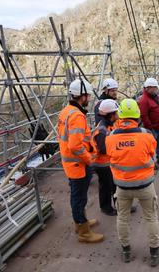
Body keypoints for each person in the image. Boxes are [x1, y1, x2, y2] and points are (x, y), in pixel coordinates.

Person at [105, 99, 159, 267]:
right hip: (145, 185)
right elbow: (153, 154)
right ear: (137, 115)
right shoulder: (146, 135)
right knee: (151, 217)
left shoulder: (110, 137)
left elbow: (110, 156)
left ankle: (126, 251)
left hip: (122, 186)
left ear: (120, 116)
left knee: (122, 218)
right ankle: (154, 253)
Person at [58, 78, 104, 243]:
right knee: (79, 198)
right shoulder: (77, 115)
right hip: (78, 164)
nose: (89, 99)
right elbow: (75, 145)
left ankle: (80, 222)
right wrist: (89, 159)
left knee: (77, 196)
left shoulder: (66, 111)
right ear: (82, 96)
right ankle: (83, 232)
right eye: (88, 96)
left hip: (70, 163)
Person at [91, 99, 119, 216]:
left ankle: (119, 206)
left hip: (109, 163)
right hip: (103, 165)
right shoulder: (102, 131)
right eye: (115, 113)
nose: (117, 115)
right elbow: (103, 149)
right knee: (106, 187)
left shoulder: (108, 126)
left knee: (115, 186)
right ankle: (106, 207)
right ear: (109, 115)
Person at [138, 78, 159, 167]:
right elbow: (144, 115)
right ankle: (151, 162)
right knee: (151, 147)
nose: (156, 90)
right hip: (153, 128)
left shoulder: (155, 96)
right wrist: (150, 127)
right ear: (148, 88)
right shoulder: (144, 100)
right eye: (154, 88)